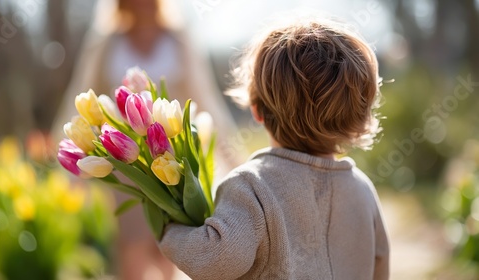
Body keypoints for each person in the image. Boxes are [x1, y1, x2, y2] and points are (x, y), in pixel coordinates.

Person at [159, 18, 390, 279]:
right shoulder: (362, 189)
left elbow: (215, 259)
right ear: (357, 115)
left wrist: (171, 232)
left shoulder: (253, 187)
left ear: (257, 111)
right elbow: (379, 264)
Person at [52, 0, 241, 279]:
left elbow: (206, 99)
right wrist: (72, 164)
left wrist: (231, 154)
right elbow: (82, 96)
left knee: (169, 249)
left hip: (172, 159)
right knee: (131, 250)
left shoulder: (178, 40)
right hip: (127, 164)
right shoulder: (107, 44)